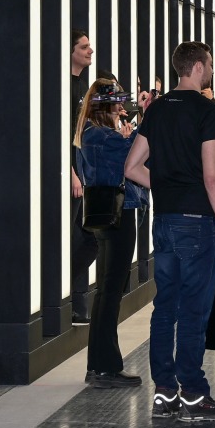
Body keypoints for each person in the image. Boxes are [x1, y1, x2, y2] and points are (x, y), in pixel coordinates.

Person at [124, 41, 215, 423]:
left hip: (166, 221)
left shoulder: (157, 109)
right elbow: (212, 177)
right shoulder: (208, 112)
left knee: (164, 308)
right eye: (210, 65)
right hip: (198, 223)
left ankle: (164, 393)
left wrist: (167, 185)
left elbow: (132, 166)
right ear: (201, 67)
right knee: (193, 311)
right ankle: (192, 392)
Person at [74, 78, 147, 388]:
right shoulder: (102, 136)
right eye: (117, 102)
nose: (122, 107)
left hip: (108, 215)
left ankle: (101, 366)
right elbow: (139, 155)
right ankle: (105, 368)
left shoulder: (92, 134)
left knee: (107, 290)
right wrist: (147, 121)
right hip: (118, 215)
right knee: (110, 291)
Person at [69, 30, 98, 325]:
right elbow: (60, 134)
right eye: (84, 46)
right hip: (71, 171)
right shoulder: (64, 86)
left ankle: (76, 297)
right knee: (76, 235)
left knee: (89, 236)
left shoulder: (83, 85)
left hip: (83, 169)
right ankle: (74, 300)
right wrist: (72, 173)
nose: (90, 51)